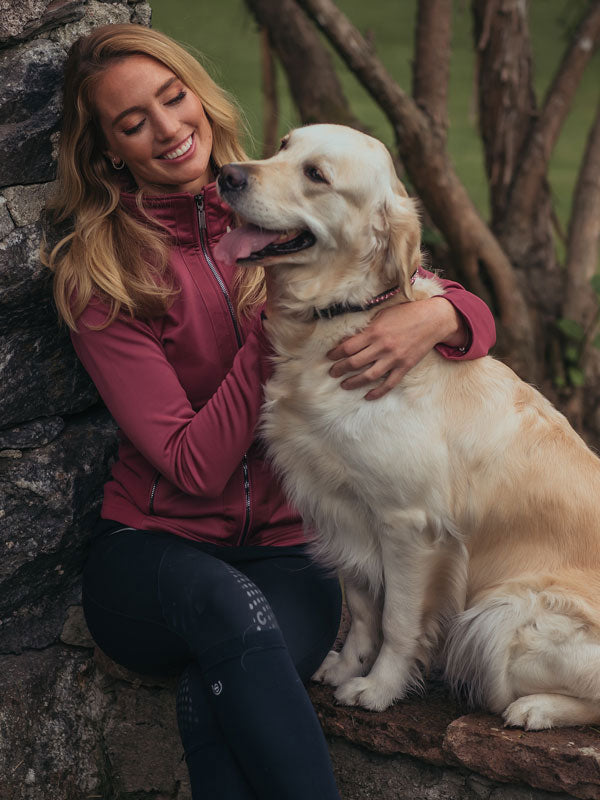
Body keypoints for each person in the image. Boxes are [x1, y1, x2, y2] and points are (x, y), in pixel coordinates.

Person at [45, 23, 496, 800]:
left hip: (294, 551)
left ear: (198, 95)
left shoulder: (275, 196)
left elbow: (399, 267)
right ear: (111, 152)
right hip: (153, 552)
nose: (167, 128)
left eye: (172, 96)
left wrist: (445, 315)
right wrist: (276, 330)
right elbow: (191, 463)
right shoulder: (103, 274)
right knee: (228, 613)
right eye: (132, 123)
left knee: (217, 690)